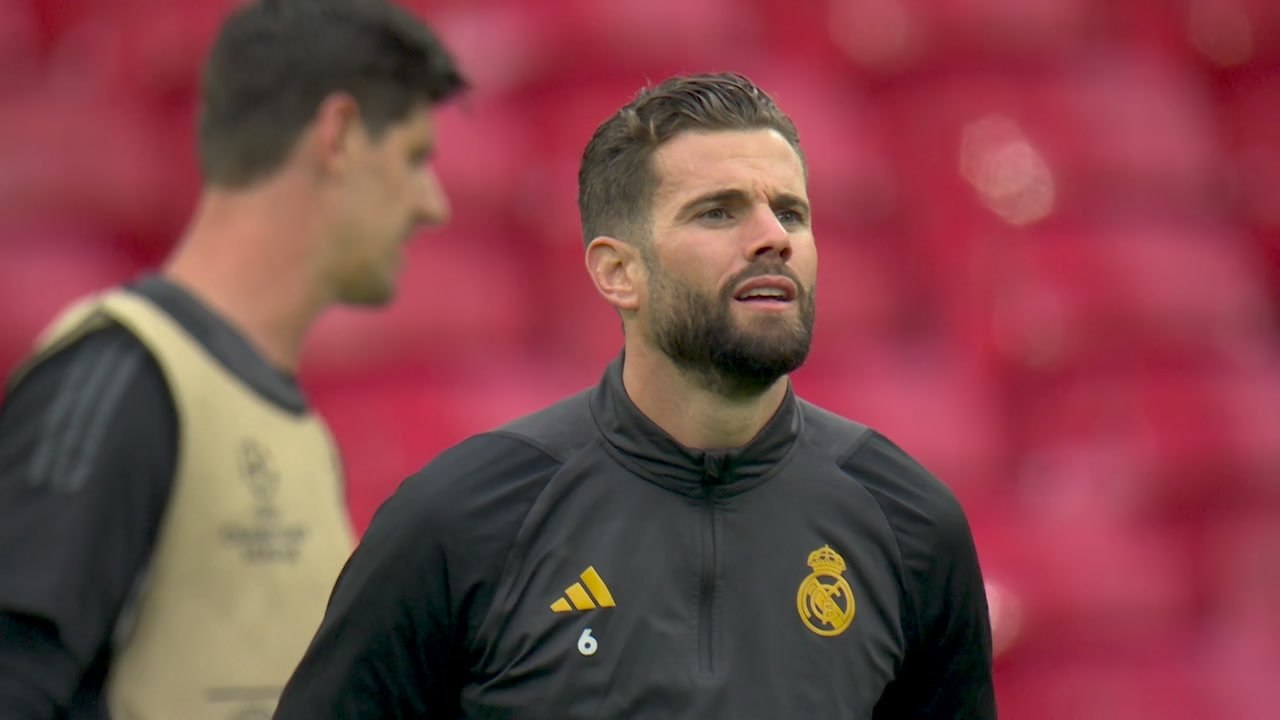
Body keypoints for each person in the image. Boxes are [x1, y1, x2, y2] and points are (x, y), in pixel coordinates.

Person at [273, 72, 995, 719]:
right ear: (618, 272)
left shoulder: (910, 526)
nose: (772, 238)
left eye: (792, 213)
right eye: (718, 212)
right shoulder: (464, 520)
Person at [0, 1, 465, 718]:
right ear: (337, 134)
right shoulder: (122, 378)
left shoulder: (286, 426)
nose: (433, 204)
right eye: (413, 157)